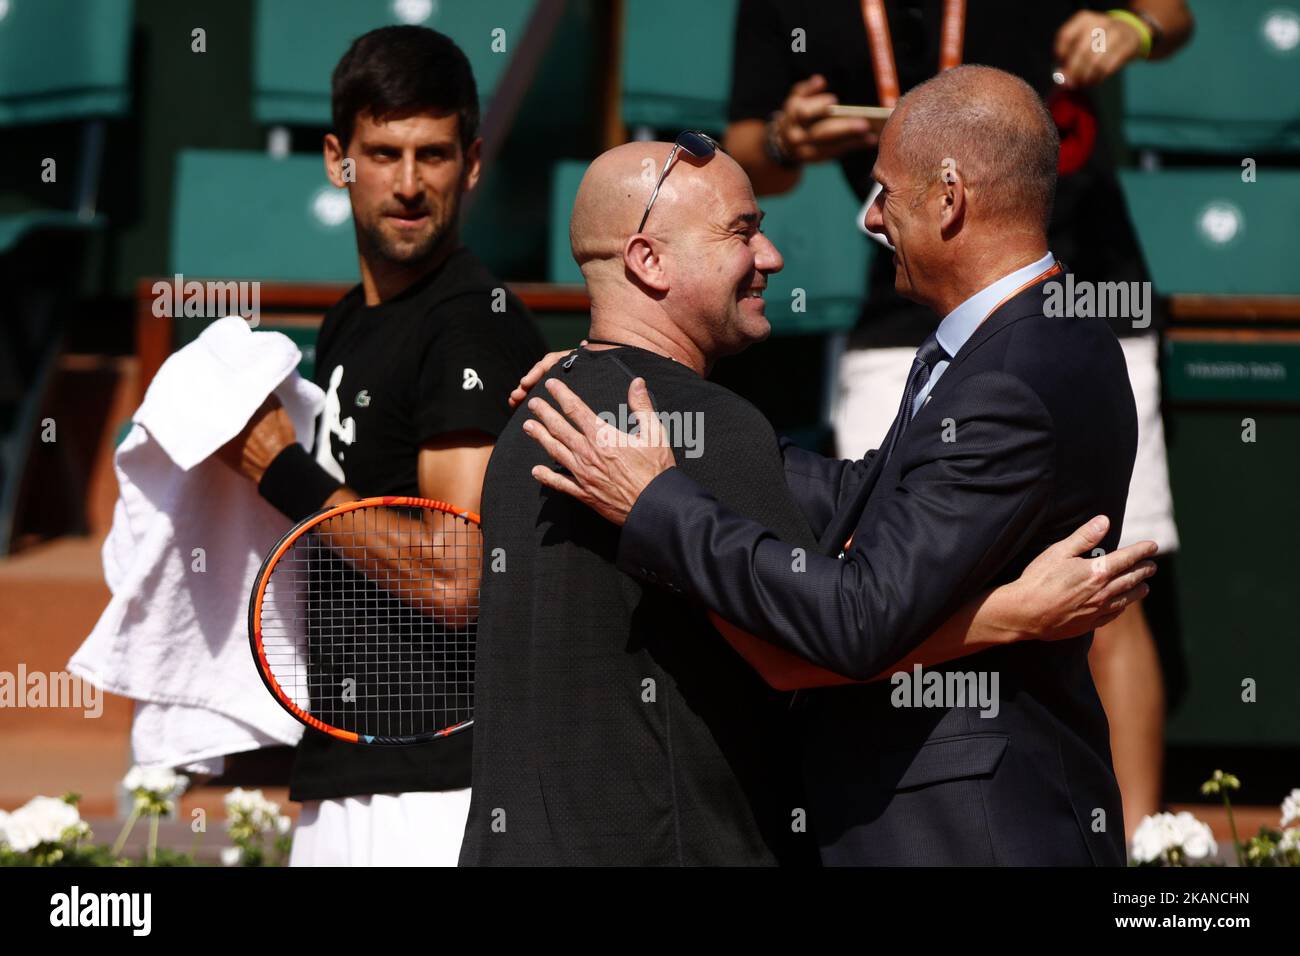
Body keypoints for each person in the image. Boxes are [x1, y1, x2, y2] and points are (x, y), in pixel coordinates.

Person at [463, 130, 1154, 865]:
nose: (772, 258)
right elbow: (801, 655)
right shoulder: (705, 429)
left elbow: (853, 492)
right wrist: (1005, 617)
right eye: (743, 232)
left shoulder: (539, 418)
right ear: (648, 261)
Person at [726, 0, 1193, 840]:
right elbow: (748, 145)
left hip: (1078, 281)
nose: (866, 212)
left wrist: (1130, 27)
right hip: (909, 301)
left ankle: (1145, 852)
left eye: (881, 195)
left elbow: (1171, 14)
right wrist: (786, 139)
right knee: (874, 555)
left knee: (1102, 590)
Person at [217, 25, 546, 866]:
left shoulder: (467, 327)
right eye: (384, 152)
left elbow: (456, 572)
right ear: (338, 160)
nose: (407, 185)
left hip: (439, 786)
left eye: (432, 155)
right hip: (345, 764)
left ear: (471, 163)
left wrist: (280, 472)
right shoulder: (348, 321)